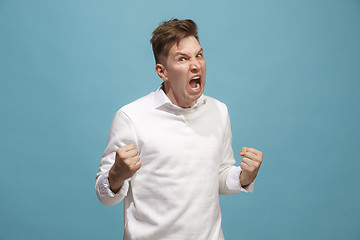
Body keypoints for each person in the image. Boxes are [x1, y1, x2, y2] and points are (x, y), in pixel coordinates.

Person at [95, 19, 263, 240]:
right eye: (183, 59)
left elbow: (219, 175)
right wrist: (116, 175)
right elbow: (106, 197)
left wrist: (244, 176)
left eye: (199, 55)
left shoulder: (218, 111)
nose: (196, 65)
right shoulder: (131, 117)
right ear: (162, 71)